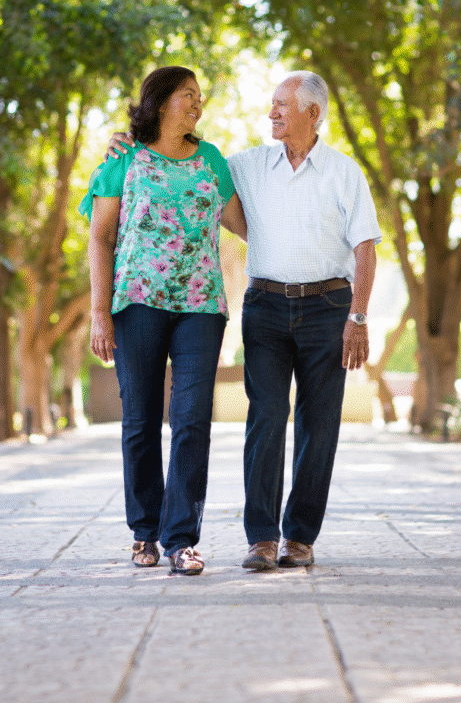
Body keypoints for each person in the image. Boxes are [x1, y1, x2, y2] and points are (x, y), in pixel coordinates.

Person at [107, 70, 380, 571]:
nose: (271, 112)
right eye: (272, 103)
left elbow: (365, 247)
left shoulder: (344, 172)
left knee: (319, 425)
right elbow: (175, 163)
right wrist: (124, 140)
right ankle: (261, 538)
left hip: (327, 307)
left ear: (313, 113)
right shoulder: (244, 165)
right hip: (265, 308)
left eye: (282, 105)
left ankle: (298, 536)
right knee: (267, 417)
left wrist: (357, 317)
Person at [79, 66, 247, 576]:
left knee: (193, 419)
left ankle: (181, 540)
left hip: (200, 305)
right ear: (159, 101)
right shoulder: (123, 158)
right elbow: (100, 237)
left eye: (200, 96)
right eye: (187, 95)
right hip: (137, 302)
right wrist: (98, 313)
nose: (197, 104)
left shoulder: (211, 160)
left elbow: (246, 225)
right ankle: (144, 532)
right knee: (141, 420)